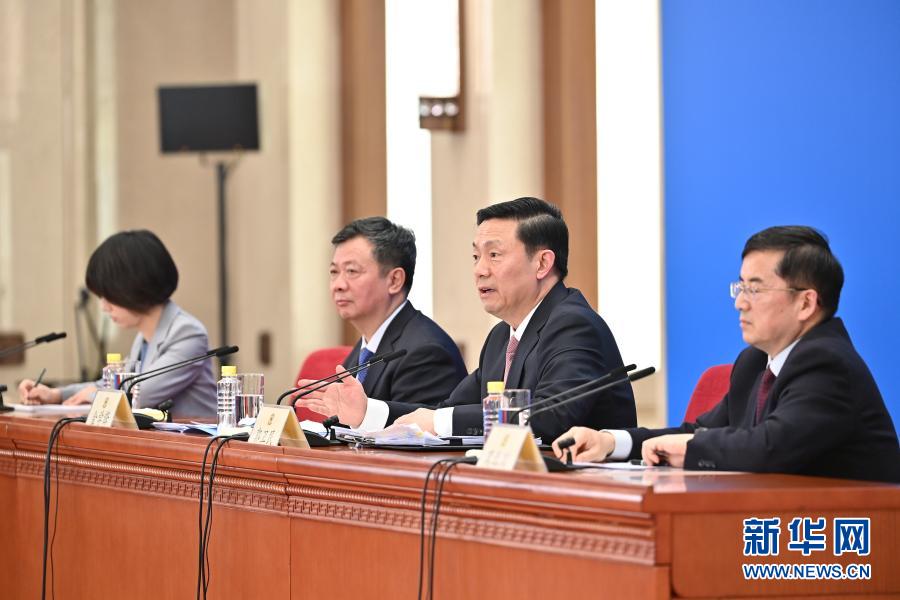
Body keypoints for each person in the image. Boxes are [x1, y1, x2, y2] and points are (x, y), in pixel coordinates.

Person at [553, 226, 900, 483]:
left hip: (844, 541)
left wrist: (690, 447)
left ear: (806, 303)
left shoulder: (827, 363)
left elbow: (769, 447)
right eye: (740, 287)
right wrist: (611, 441)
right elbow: (699, 430)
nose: (740, 302)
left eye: (755, 289)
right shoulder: (755, 362)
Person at [298, 197, 637, 440]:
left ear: (542, 263)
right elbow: (446, 409)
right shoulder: (502, 337)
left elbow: (551, 414)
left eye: (494, 255)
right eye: (476, 256)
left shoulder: (573, 324)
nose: (479, 270)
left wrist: (439, 422)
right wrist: (368, 413)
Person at [18, 230, 216, 418]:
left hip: (196, 442)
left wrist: (91, 394)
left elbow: (139, 394)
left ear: (135, 287)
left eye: (108, 296)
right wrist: (56, 394)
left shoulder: (188, 333)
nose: (104, 307)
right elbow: (113, 384)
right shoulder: (143, 337)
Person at [324, 217, 467, 406]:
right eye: (334, 272)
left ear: (394, 280)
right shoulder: (365, 349)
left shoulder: (425, 353)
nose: (338, 285)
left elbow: (410, 425)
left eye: (352, 271)